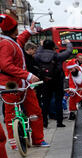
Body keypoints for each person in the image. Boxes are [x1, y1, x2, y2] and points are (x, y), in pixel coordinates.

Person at [0, 15, 49, 150]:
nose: (18, 31)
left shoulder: (10, 41)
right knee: (11, 114)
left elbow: (19, 41)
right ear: (13, 29)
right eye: (17, 28)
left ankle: (37, 139)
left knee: (34, 111)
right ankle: (16, 141)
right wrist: (27, 75)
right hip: (11, 84)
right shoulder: (5, 44)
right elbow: (5, 65)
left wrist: (29, 32)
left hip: (21, 84)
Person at [34, 38, 73, 125]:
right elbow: (69, 52)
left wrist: (41, 45)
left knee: (45, 102)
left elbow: (38, 52)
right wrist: (68, 43)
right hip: (57, 81)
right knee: (58, 101)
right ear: (53, 47)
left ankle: (45, 122)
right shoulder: (57, 56)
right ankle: (59, 122)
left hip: (45, 81)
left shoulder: (37, 56)